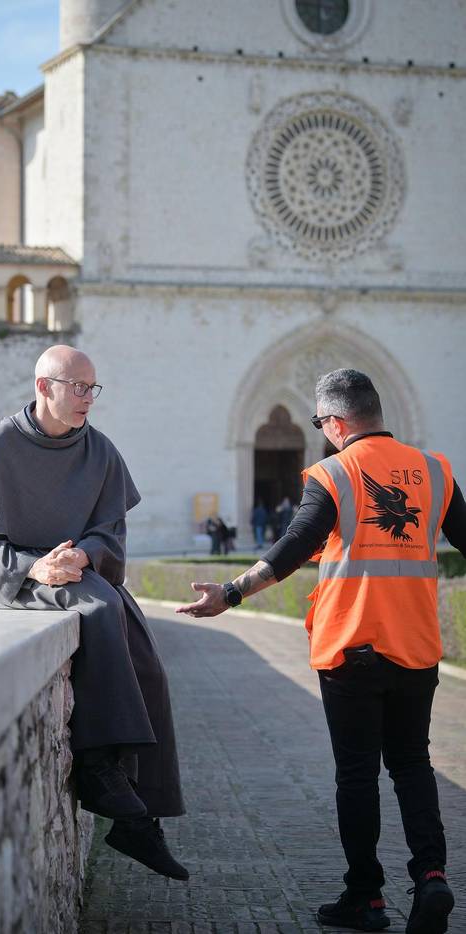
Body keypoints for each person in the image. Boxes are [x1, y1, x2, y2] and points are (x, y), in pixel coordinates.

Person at [178, 369, 464, 934]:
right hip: (418, 647)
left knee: (357, 775)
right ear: (378, 413)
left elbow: (291, 550)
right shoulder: (436, 471)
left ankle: (367, 898)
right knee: (412, 764)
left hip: (351, 649)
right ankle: (432, 877)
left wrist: (230, 593)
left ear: (335, 424)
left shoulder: (334, 473)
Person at [0, 345, 187, 881]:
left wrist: (84, 553)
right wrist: (35, 568)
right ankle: (102, 772)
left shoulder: (99, 451)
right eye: (77, 388)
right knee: (100, 609)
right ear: (43, 387)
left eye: (92, 389)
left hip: (81, 573)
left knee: (146, 658)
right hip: (23, 582)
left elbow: (111, 532)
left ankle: (139, 814)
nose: (87, 399)